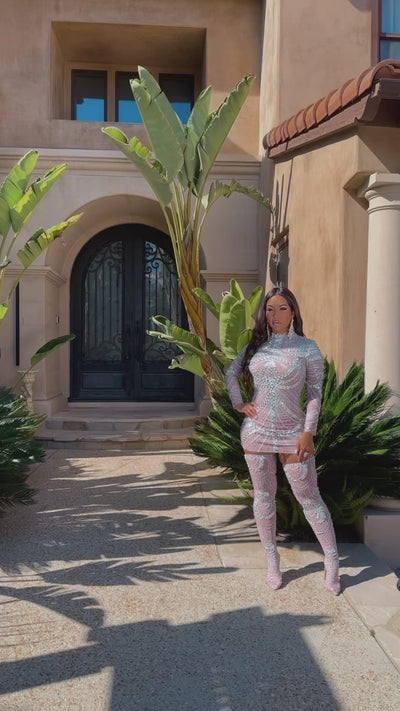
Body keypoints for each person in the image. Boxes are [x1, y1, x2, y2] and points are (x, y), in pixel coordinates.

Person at [225, 286, 340, 595]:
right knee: (263, 497)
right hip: (256, 431)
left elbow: (315, 394)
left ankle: (331, 560)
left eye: (282, 309)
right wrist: (239, 403)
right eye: (270, 309)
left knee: (309, 497)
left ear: (293, 312)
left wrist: (308, 432)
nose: (274, 315)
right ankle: (272, 562)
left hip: (294, 432)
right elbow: (231, 373)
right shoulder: (256, 346)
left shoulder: (307, 348)